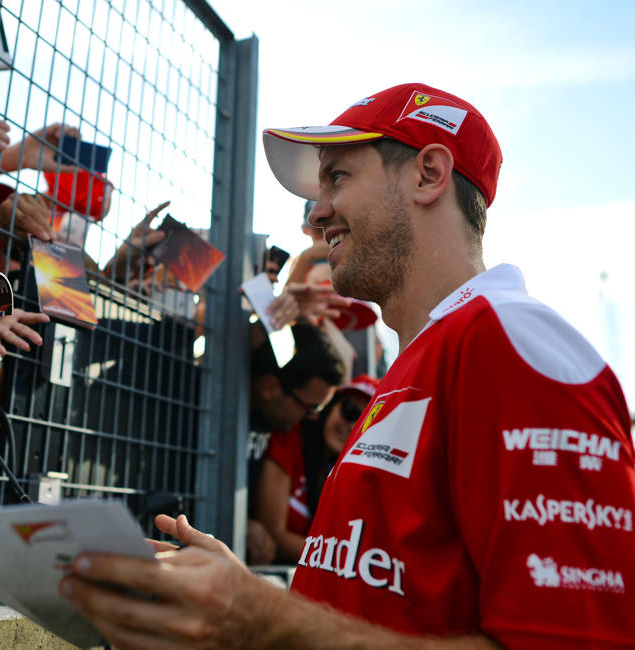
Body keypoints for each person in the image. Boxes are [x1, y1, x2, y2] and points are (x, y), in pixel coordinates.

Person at [59, 82, 635, 647]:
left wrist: (262, 622)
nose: (316, 214)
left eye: (337, 178)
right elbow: (383, 606)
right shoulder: (418, 364)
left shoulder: (511, 344)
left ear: (429, 174)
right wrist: (247, 598)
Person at [245, 322, 345, 564]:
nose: (314, 416)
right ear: (270, 388)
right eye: (311, 407)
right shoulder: (215, 401)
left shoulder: (279, 417)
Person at [254, 374, 377, 563]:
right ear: (330, 405)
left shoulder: (353, 479)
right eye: (349, 410)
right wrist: (344, 561)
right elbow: (273, 534)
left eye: (366, 424)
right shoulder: (291, 437)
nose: (352, 427)